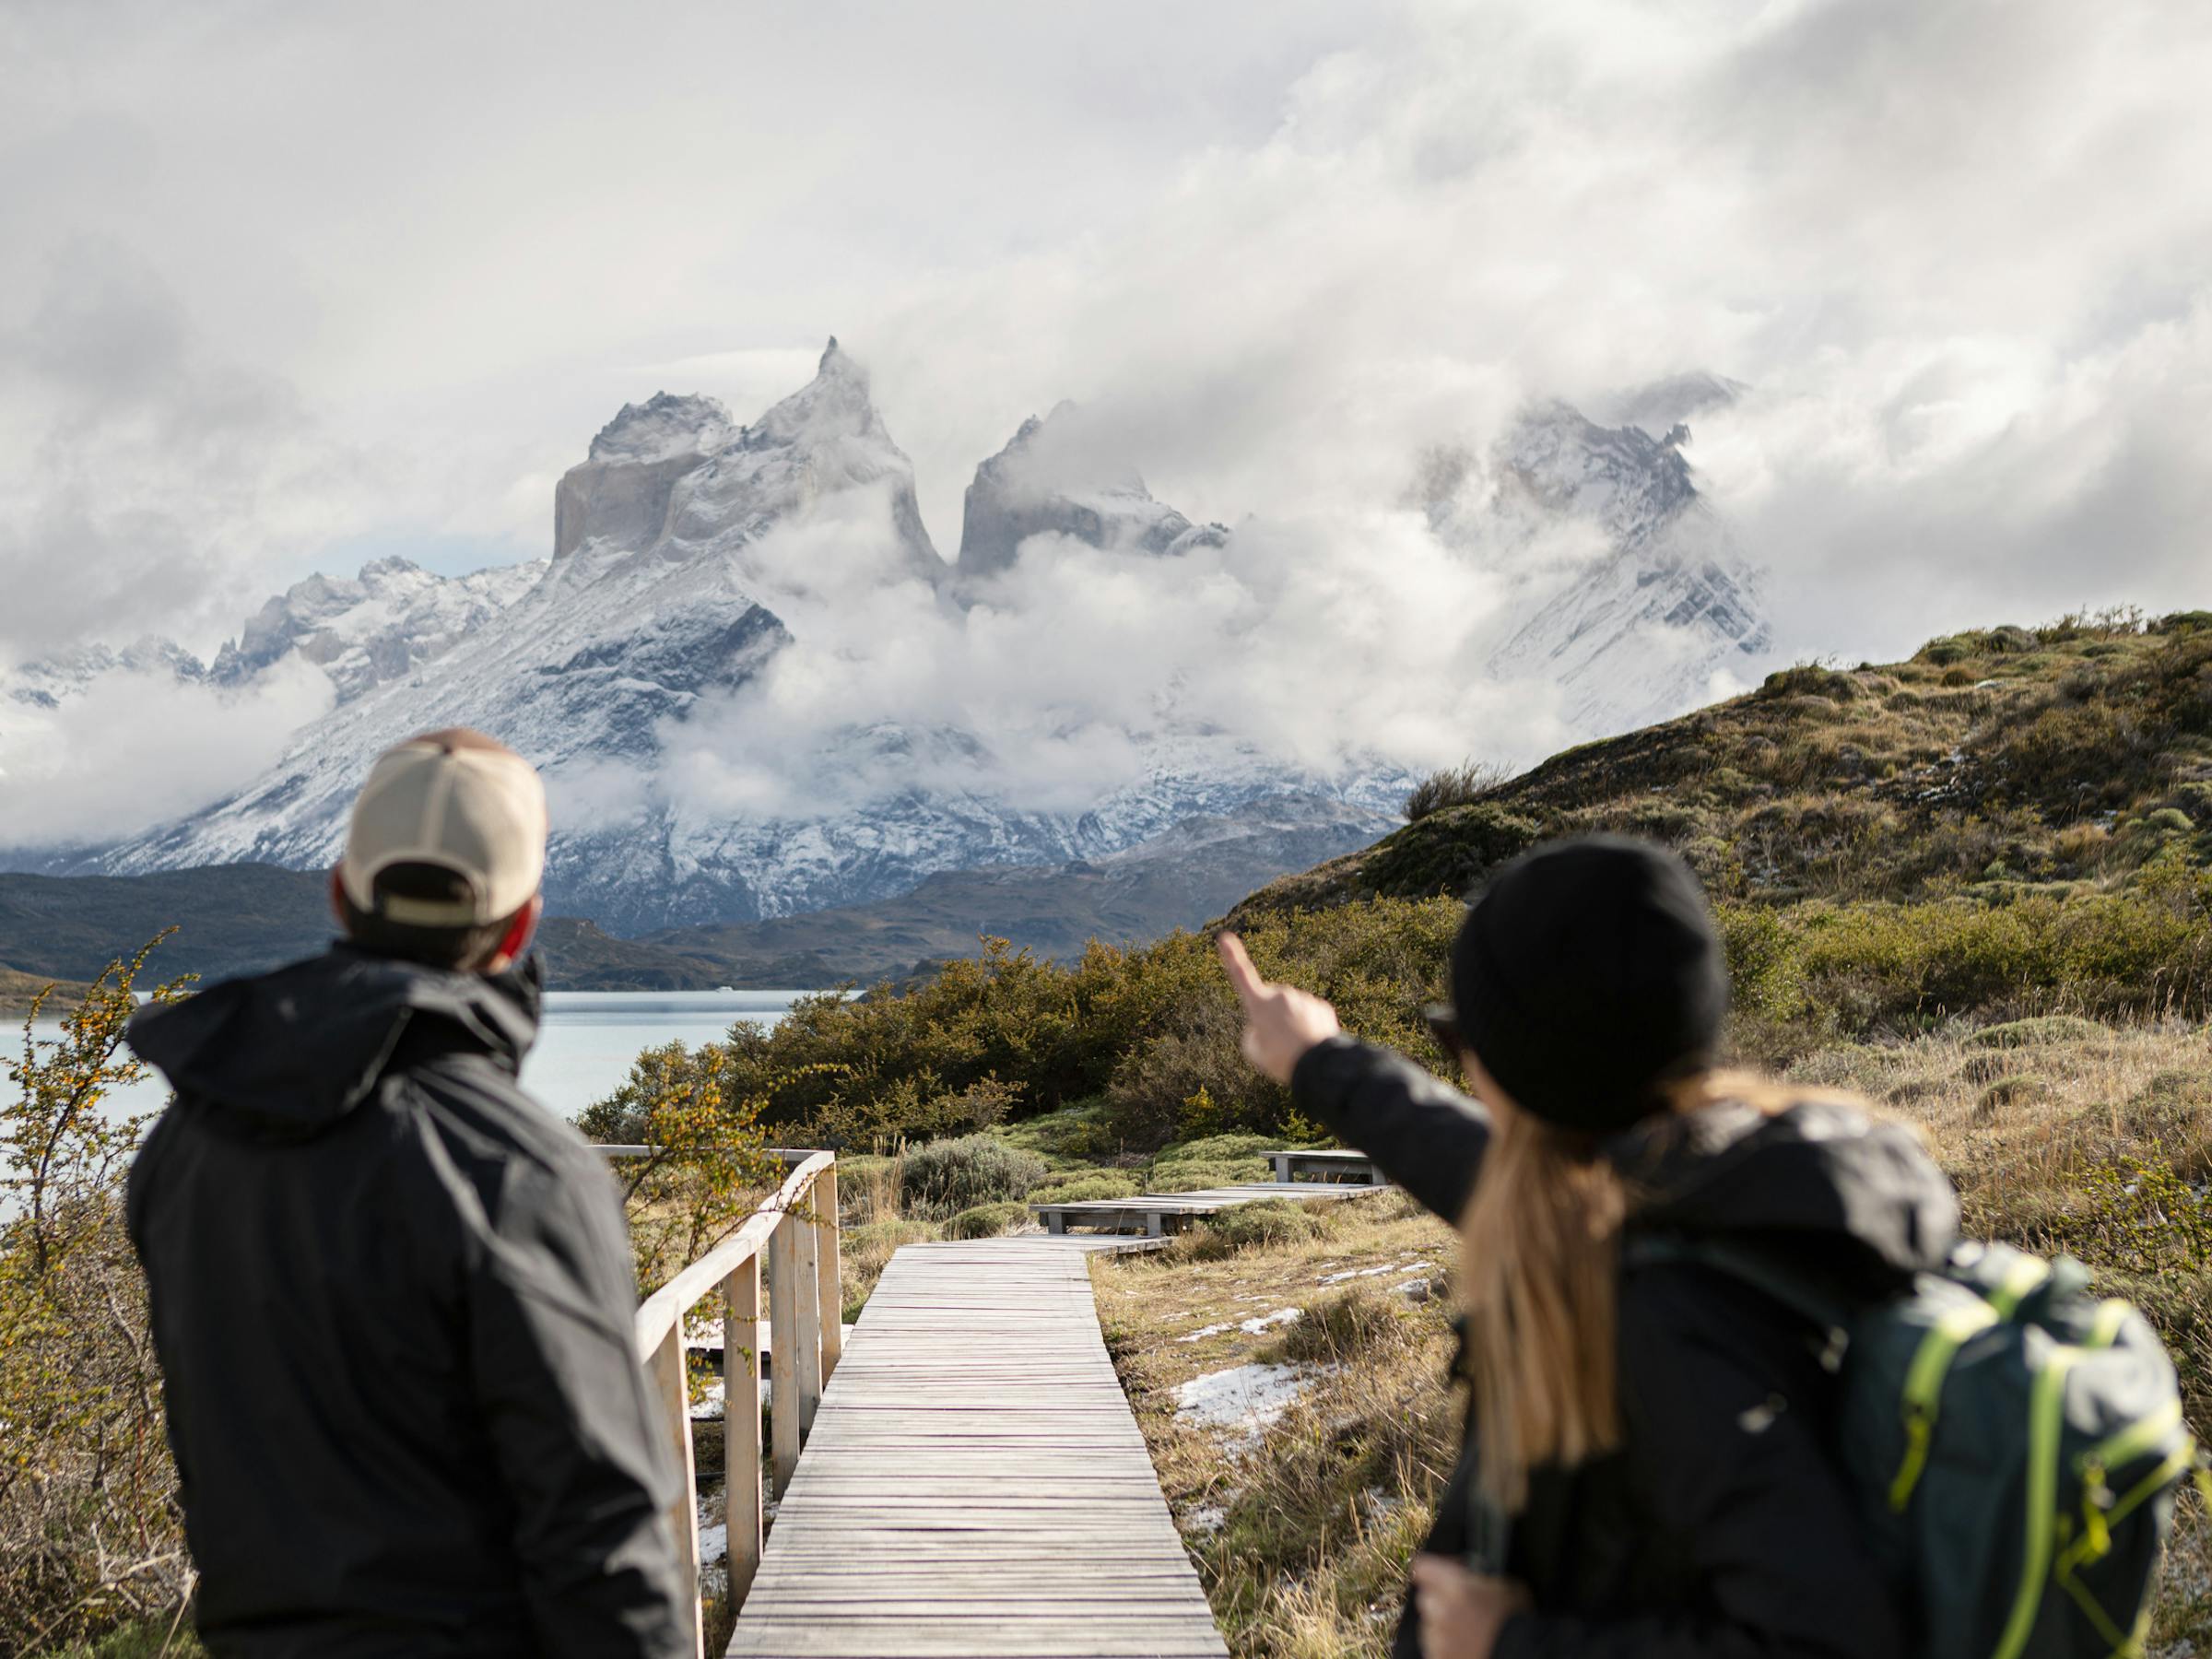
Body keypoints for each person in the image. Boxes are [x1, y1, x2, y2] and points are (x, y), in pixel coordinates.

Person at [1218, 835, 1958, 1659]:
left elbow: (1830, 1642)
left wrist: (1510, 1642)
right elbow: (1478, 1167)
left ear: (1532, 1070)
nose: (1466, 1069)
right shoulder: (1704, 1184)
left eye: (1468, 1040)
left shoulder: (1662, 1314)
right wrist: (1320, 1061)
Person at [126, 729, 690, 1658]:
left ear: (341, 895)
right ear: (520, 926)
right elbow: (601, 1528)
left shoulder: (186, 1142)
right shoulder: (519, 1168)